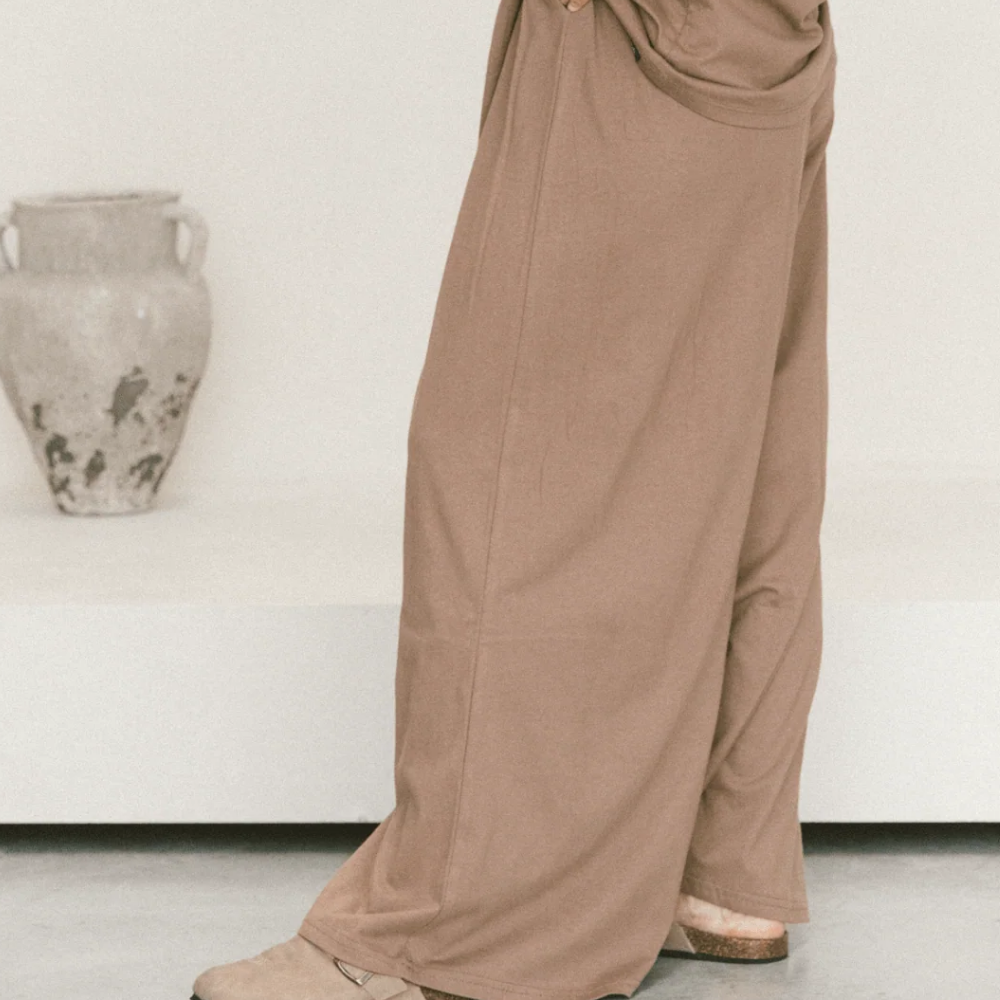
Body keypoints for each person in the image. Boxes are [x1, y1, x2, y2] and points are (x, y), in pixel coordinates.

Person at [191, 1, 838, 998]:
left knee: (509, 463)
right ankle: (719, 867)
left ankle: (447, 930)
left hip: (631, 34)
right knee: (739, 420)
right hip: (765, 33)